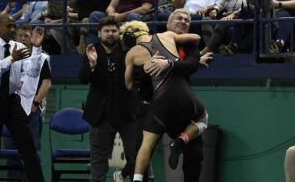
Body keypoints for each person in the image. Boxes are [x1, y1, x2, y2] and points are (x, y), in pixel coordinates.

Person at [121, 20, 208, 182]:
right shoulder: (166, 35)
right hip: (181, 92)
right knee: (203, 119)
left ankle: (137, 180)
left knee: (146, 145)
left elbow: (128, 85)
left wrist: (142, 71)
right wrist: (171, 59)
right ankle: (181, 141)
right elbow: (196, 37)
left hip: (159, 100)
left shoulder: (131, 53)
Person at [140, 9, 213, 182]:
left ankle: (179, 143)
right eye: (179, 18)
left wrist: (169, 64)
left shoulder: (191, 46)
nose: (183, 21)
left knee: (195, 153)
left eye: (187, 20)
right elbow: (139, 68)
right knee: (140, 149)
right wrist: (145, 67)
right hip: (154, 104)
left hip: (180, 106)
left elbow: (191, 65)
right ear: (168, 24)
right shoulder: (153, 42)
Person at [0, 14, 45, 182]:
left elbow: (33, 72)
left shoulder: (18, 46)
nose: (13, 29)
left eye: (14, 26)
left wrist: (36, 49)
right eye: (9, 26)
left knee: (28, 144)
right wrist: (11, 58)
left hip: (11, 100)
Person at [79, 17, 139, 182]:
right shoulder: (91, 50)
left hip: (127, 112)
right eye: (106, 31)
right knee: (98, 158)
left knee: (135, 155)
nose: (110, 34)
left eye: (114, 31)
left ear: (118, 33)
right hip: (100, 114)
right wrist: (91, 64)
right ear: (99, 33)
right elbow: (83, 79)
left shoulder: (129, 51)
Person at [4, 24, 52, 180]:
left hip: (31, 110)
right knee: (11, 152)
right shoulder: (8, 58)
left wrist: (36, 103)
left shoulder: (42, 57)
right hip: (10, 109)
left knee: (32, 151)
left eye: (27, 35)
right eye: (20, 35)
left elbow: (46, 83)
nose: (24, 38)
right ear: (15, 38)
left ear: (32, 38)